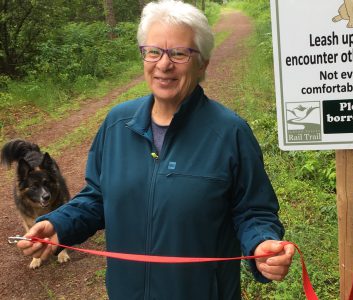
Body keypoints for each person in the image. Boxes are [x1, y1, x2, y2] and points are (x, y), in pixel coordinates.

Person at [17, 0, 294, 299]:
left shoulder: (230, 133)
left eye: (179, 53)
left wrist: (261, 243)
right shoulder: (116, 124)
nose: (164, 64)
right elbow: (97, 197)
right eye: (154, 51)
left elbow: (253, 210)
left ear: (203, 63)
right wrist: (57, 223)